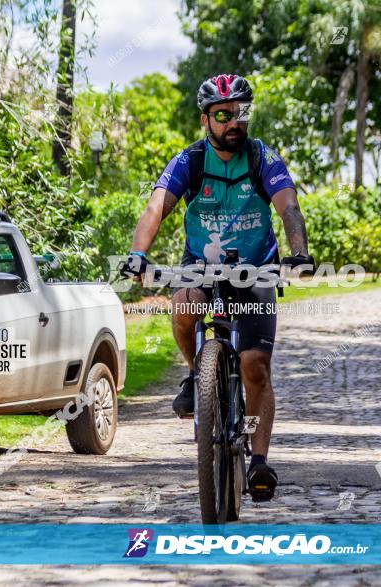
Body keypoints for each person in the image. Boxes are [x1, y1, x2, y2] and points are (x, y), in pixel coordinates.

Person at [120, 74, 312, 502]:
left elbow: (289, 208)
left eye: (240, 112)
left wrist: (298, 252)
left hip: (256, 267)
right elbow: (156, 207)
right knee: (184, 306)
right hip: (202, 265)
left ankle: (259, 462)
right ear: (206, 119)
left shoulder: (264, 159)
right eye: (223, 115)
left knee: (255, 367)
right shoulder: (190, 161)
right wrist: (138, 253)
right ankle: (196, 374)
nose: (233, 122)